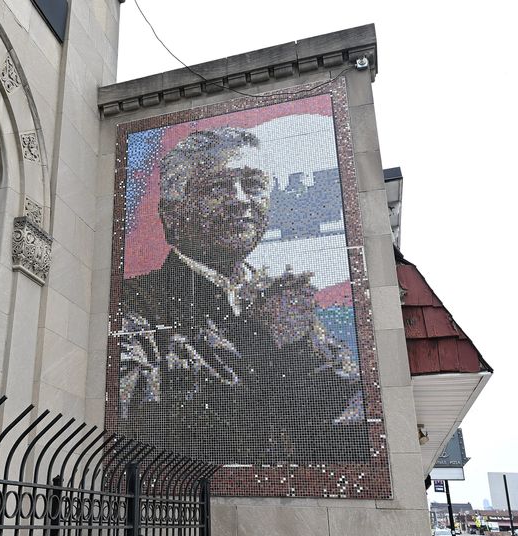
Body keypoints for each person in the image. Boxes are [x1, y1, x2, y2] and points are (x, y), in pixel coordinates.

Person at [117, 127, 367, 464]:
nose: (240, 199)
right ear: (172, 217)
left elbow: (348, 418)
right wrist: (260, 343)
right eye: (218, 187)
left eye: (253, 185)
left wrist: (300, 342)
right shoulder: (134, 302)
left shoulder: (276, 301)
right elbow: (137, 416)